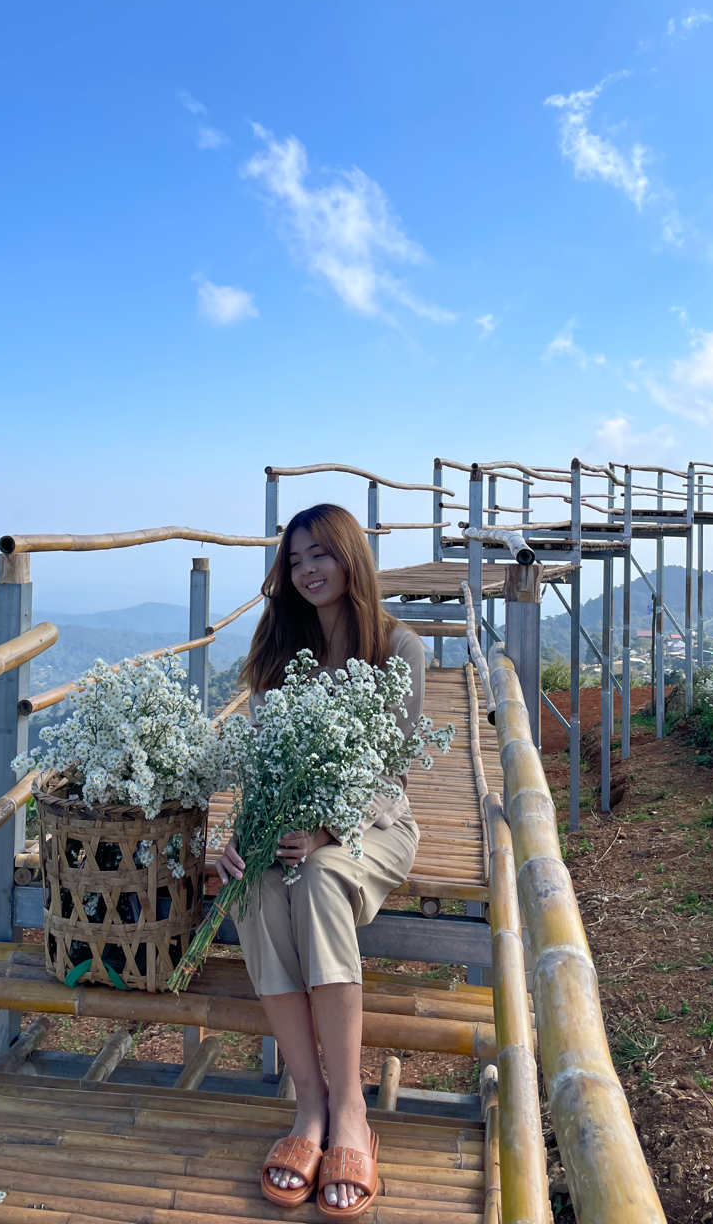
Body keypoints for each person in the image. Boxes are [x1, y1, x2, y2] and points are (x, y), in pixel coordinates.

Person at [214, 503, 425, 1218]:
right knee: (259, 892)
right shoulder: (278, 646)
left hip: (372, 828)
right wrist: (239, 834)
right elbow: (263, 763)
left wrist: (332, 831)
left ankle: (351, 1115)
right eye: (295, 558)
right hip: (283, 829)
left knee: (319, 879)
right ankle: (309, 1110)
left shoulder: (400, 648)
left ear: (349, 559)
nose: (307, 569)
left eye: (320, 555)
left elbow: (392, 776)